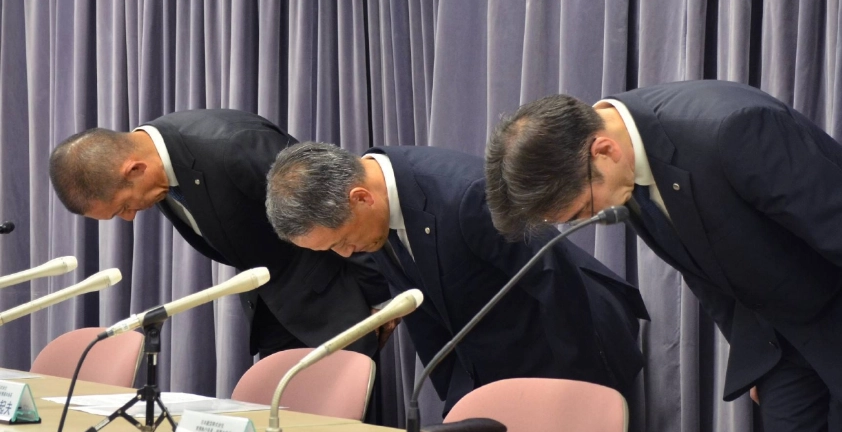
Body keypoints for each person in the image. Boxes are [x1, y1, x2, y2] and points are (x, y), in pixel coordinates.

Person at [483, 80, 842, 432]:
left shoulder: (733, 129)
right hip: (782, 326)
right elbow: (703, 266)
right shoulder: (621, 168)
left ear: (604, 150)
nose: (586, 220)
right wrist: (754, 355)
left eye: (583, 208)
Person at [265, 142, 648, 411]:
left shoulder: (465, 194)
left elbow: (555, 281)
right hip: (494, 358)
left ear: (361, 197)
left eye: (343, 242)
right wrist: (457, 401)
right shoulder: (373, 214)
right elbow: (425, 314)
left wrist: (570, 394)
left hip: (571, 347)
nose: (345, 254)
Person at [48, 109, 391, 358]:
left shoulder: (233, 145)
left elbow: (341, 208)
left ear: (135, 169)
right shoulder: (158, 169)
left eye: (123, 206)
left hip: (337, 305)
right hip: (275, 309)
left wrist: (381, 299)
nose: (128, 218)